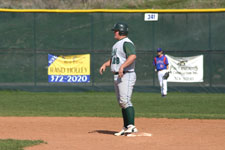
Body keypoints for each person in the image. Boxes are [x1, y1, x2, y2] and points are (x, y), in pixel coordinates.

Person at [99, 22, 138, 136]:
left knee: (125, 100)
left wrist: (122, 66)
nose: (114, 32)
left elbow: (132, 56)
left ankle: (131, 126)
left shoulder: (127, 43)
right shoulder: (117, 44)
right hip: (118, 75)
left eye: (115, 31)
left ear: (120, 32)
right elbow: (115, 59)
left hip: (126, 74)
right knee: (122, 102)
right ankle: (126, 126)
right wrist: (105, 64)